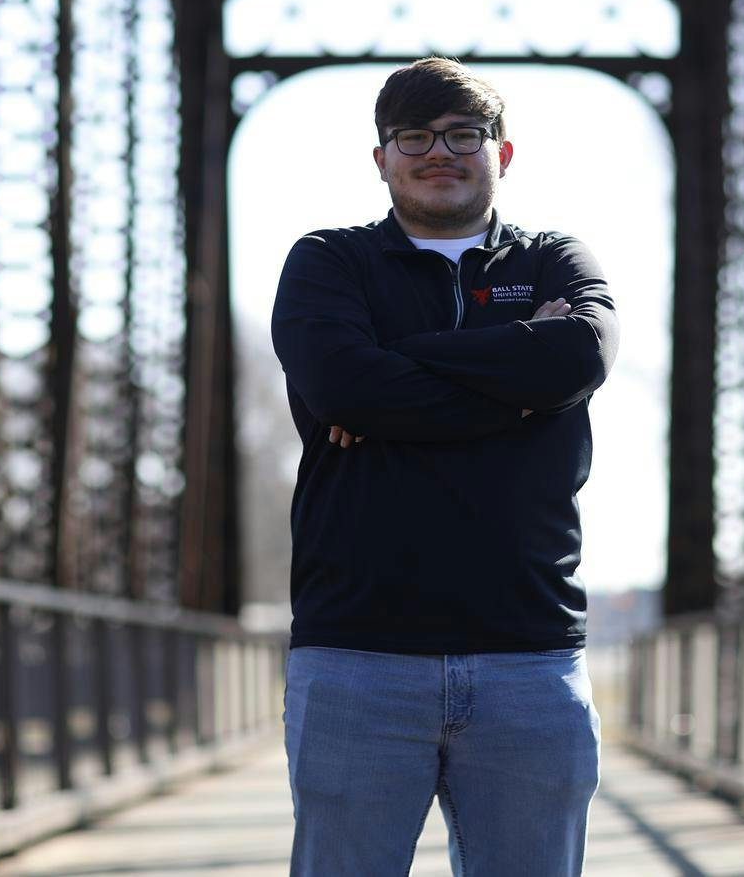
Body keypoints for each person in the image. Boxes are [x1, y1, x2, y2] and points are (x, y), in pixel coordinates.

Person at [270, 57, 620, 877]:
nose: (440, 152)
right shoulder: (328, 259)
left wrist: (395, 377)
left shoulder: (557, 259)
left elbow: (578, 354)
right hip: (357, 654)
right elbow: (341, 385)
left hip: (529, 656)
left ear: (501, 154)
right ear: (382, 157)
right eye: (414, 136)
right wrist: (518, 387)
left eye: (465, 134)